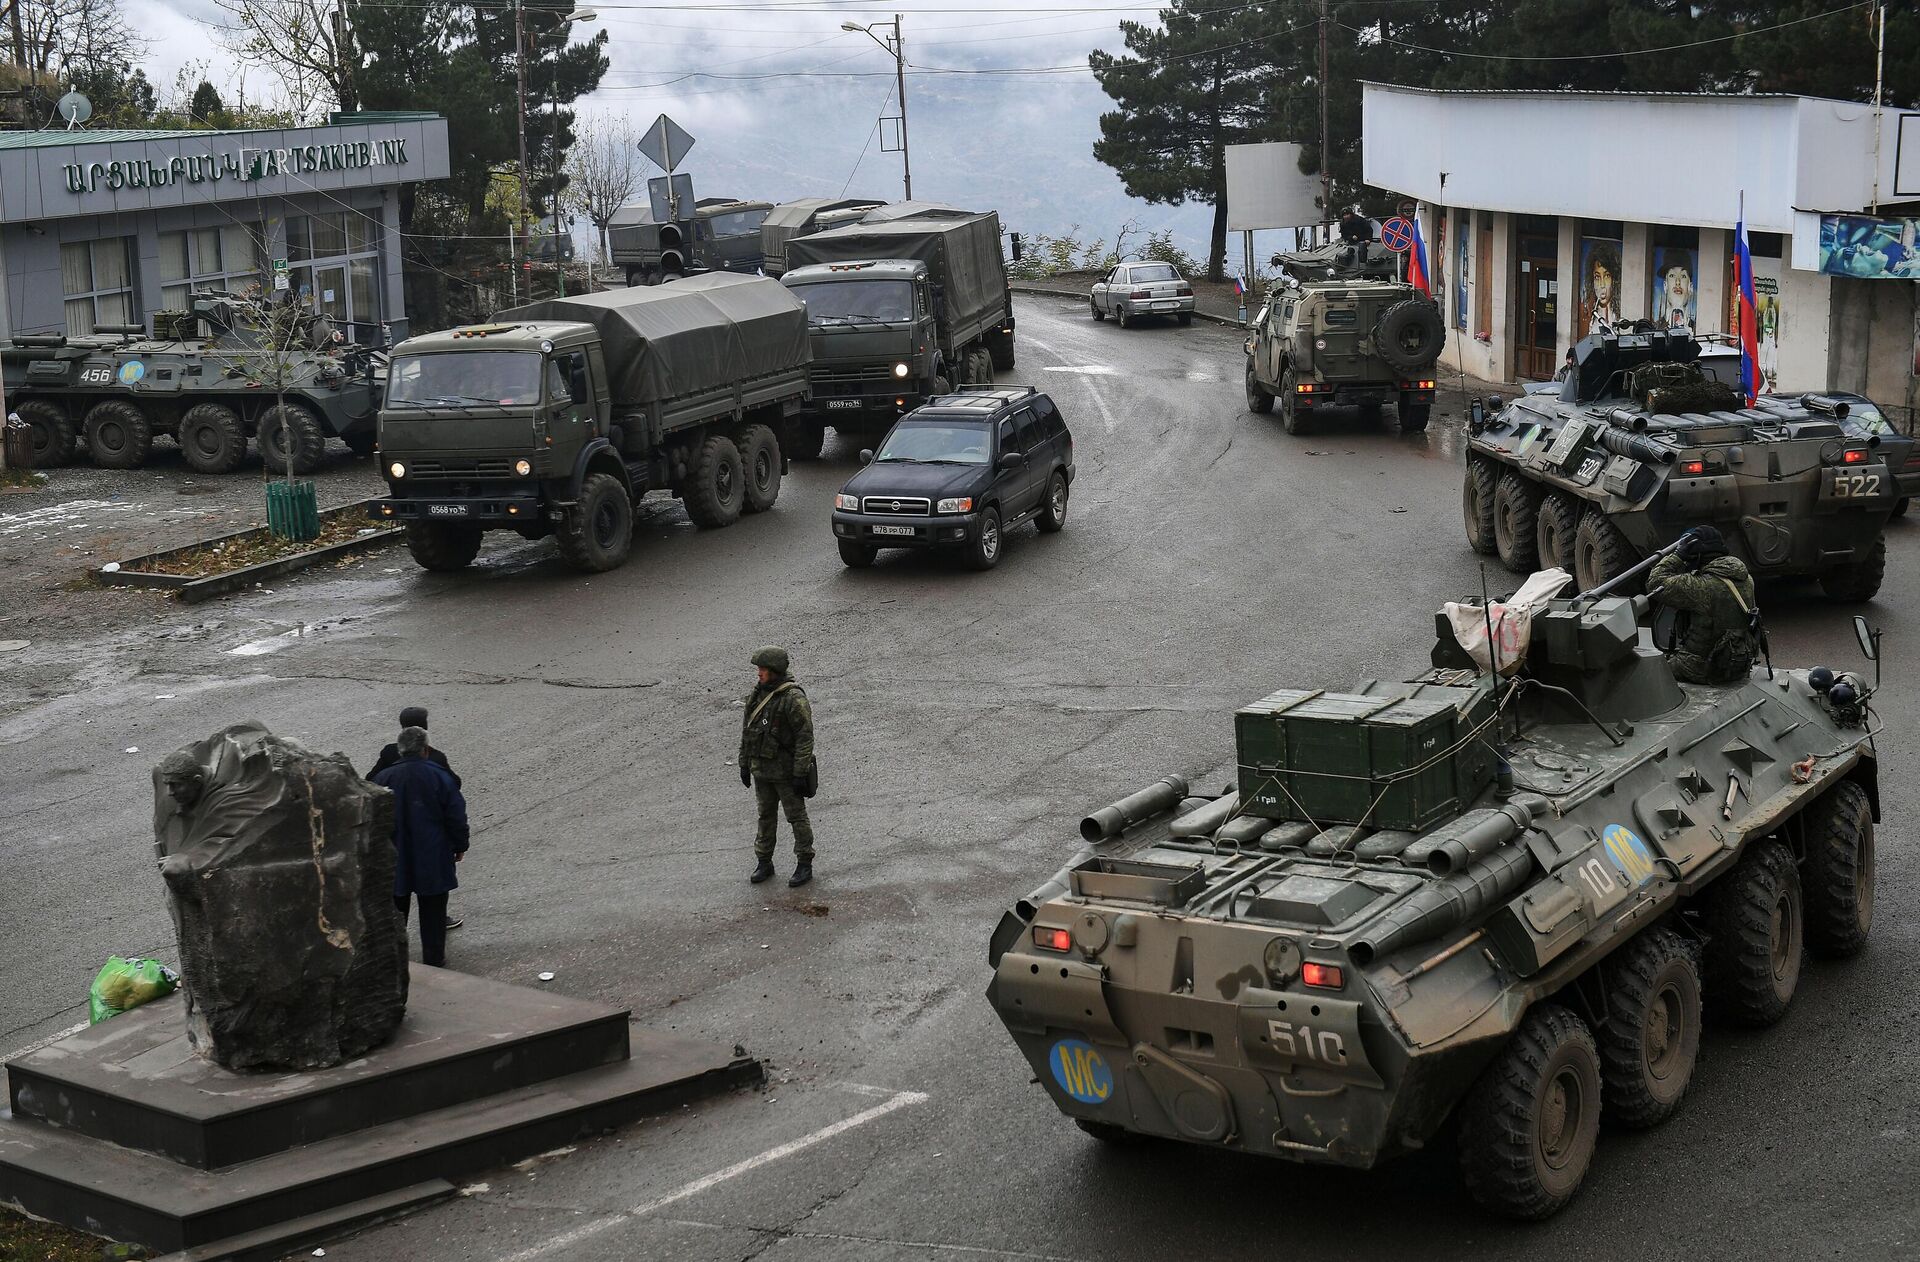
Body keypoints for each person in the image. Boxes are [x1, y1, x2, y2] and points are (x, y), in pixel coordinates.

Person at [370, 726, 470, 967]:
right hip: (432, 853)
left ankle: (393, 961)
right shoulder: (438, 775)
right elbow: (455, 814)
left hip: (395, 855)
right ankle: (434, 960)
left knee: (395, 910)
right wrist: (460, 844)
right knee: (433, 910)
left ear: (401, 750)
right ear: (426, 749)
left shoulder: (384, 778)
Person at [739, 645, 817, 887]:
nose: (758, 674)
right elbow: (747, 732)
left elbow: (805, 737)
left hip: (785, 772)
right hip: (761, 769)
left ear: (774, 670)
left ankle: (804, 863)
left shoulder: (793, 699)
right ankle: (764, 861)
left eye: (762, 669)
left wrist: (799, 771)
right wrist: (744, 763)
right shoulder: (756, 695)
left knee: (796, 817)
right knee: (765, 817)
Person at [1648, 527, 1758, 684]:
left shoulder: (1701, 586)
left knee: (1647, 673)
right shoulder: (1745, 578)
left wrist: (1677, 556)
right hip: (1737, 663)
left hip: (1702, 666)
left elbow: (1655, 584)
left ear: (1697, 555)